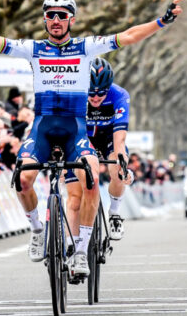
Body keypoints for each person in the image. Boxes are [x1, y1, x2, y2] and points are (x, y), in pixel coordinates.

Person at [0, 0, 183, 277]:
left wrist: (162, 21)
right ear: (44, 19)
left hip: (74, 128)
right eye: (50, 15)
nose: (55, 20)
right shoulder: (33, 49)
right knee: (23, 179)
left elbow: (128, 36)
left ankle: (81, 253)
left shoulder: (86, 47)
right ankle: (37, 230)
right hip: (42, 126)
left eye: (61, 15)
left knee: (90, 180)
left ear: (71, 20)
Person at [65, 58, 132, 247]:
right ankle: (73, 244)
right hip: (82, 140)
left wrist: (122, 160)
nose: (95, 98)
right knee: (75, 198)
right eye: (91, 94)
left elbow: (120, 135)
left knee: (118, 169)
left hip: (108, 138)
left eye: (101, 94)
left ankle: (115, 213)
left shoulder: (119, 95)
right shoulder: (74, 94)